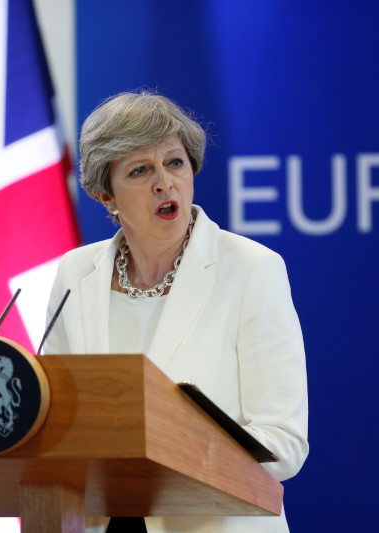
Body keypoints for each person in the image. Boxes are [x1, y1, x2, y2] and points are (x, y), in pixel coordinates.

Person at [43, 90, 309, 533]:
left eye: (175, 163)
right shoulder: (76, 274)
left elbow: (284, 442)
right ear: (104, 195)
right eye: (140, 170)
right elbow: (57, 417)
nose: (164, 183)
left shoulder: (251, 270)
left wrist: (177, 453)